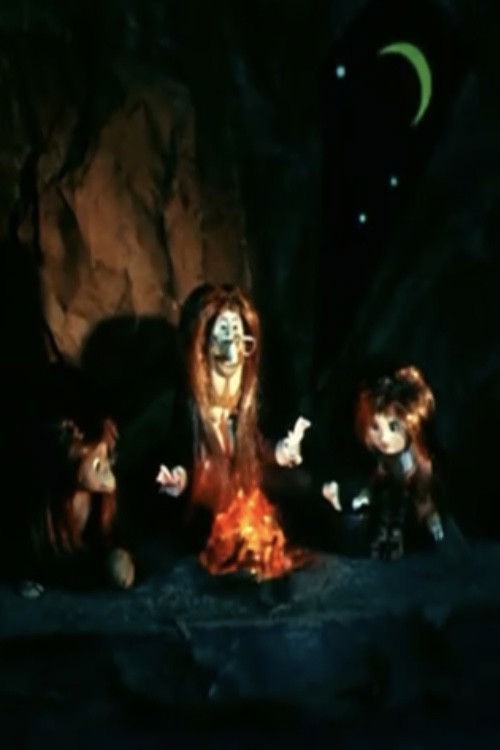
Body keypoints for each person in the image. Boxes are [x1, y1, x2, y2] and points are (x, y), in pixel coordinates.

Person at [323, 365, 444, 559]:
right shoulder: (374, 460)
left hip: (410, 516)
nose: (384, 438)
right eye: (375, 427)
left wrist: (428, 511)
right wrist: (361, 496)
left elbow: (424, 488)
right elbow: (373, 481)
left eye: (394, 427)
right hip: (384, 509)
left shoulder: (417, 460)